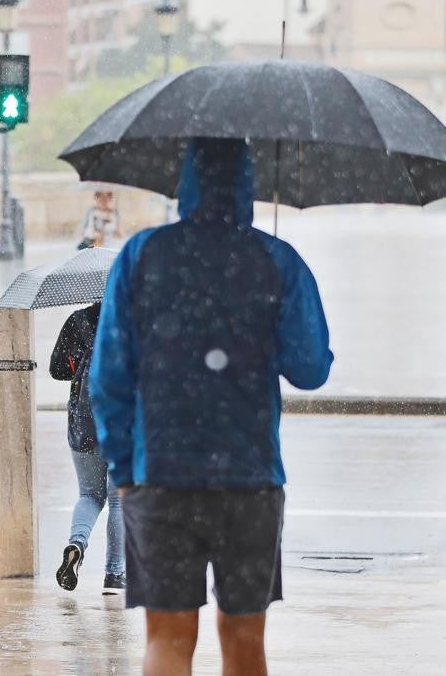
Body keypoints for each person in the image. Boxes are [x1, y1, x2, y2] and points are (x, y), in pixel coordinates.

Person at [90, 138, 333, 675]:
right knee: (245, 638)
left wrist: (127, 471)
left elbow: (108, 377)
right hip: (249, 478)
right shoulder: (277, 260)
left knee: (168, 638)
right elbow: (311, 368)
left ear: (184, 185)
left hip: (161, 476)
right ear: (249, 186)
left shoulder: (142, 255)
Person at [50, 301, 125, 595]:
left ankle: (76, 544)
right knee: (119, 501)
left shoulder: (79, 319)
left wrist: (80, 362)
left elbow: (57, 369)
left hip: (85, 420)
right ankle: (114, 576)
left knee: (89, 495)